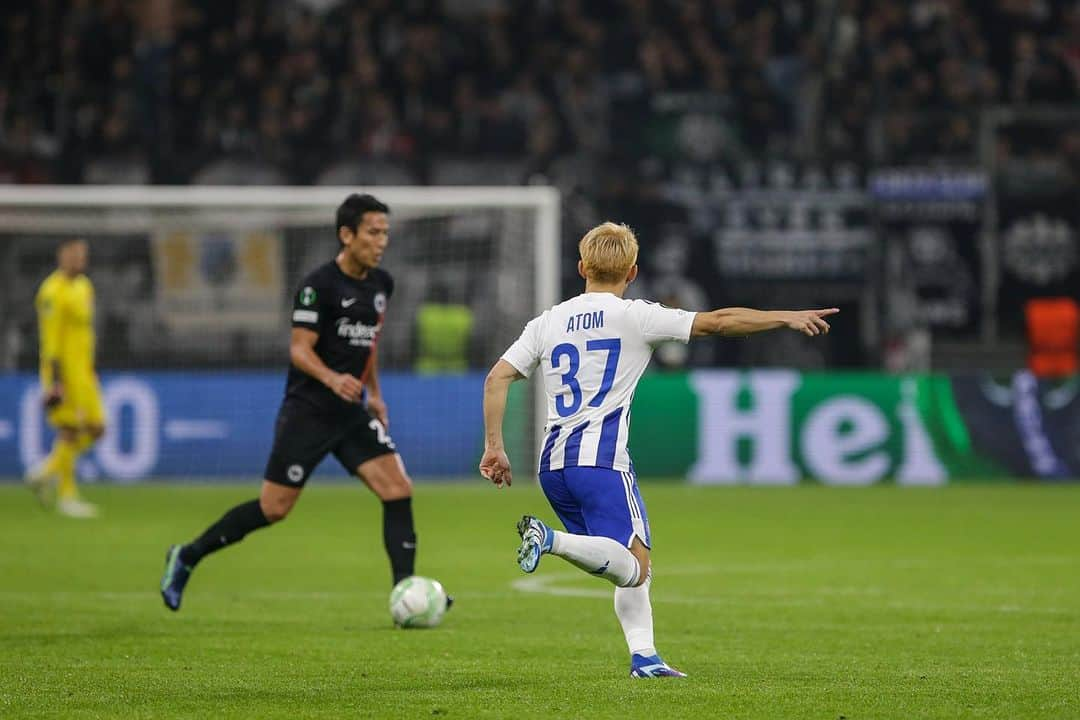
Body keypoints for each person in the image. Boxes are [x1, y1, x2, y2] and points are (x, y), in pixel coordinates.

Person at [479, 222, 837, 678]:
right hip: (603, 463)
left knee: (624, 551)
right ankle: (550, 540)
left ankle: (645, 657)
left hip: (553, 466)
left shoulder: (547, 321)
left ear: (581, 267)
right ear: (632, 272)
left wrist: (495, 447)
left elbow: (497, 378)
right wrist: (783, 316)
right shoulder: (636, 315)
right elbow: (720, 322)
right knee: (634, 566)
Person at [161, 193, 431, 611]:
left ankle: (406, 595)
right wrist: (332, 377)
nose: (382, 242)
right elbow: (299, 350)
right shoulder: (317, 286)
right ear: (347, 234)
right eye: (373, 233)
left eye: (385, 234)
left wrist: (373, 393)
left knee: (397, 489)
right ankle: (187, 555)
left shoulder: (381, 285)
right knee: (274, 507)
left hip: (351, 412)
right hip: (309, 411)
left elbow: (368, 344)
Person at [26, 238, 105, 519]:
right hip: (63, 373)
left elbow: (86, 333)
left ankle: (45, 472)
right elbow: (51, 342)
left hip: (83, 370)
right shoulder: (51, 292)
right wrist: (56, 382)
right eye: (73, 254)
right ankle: (67, 496)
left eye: (82, 254)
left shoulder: (84, 286)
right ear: (62, 255)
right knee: (70, 431)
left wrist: (90, 366)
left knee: (98, 428)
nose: (79, 259)